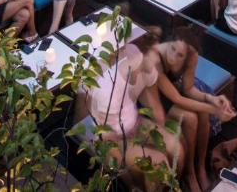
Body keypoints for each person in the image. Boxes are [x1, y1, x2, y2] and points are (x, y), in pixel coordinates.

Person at [75, 41, 183, 190]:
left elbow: (146, 92)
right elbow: (81, 123)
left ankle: (176, 186)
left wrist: (158, 119)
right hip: (113, 136)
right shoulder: (90, 73)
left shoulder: (132, 52)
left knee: (176, 147)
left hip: (134, 122)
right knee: (159, 161)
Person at [145, 27, 237, 192]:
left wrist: (211, 99)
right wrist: (214, 110)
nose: (173, 57)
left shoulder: (191, 55)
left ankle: (200, 167)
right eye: (172, 49)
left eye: (180, 55)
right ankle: (190, 174)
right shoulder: (155, 58)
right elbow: (176, 98)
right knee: (190, 118)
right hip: (154, 97)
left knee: (202, 112)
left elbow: (188, 89)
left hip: (174, 90)